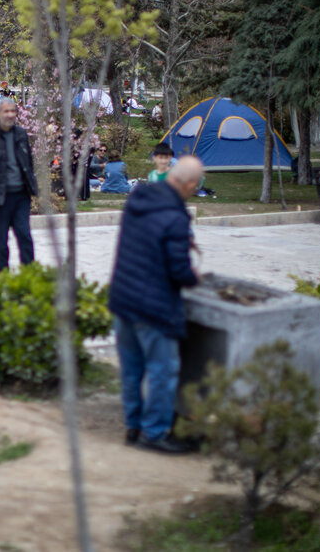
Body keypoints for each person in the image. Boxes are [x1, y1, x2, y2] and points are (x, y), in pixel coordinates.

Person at [109, 156, 204, 454]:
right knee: (163, 370)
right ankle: (155, 433)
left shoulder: (139, 199)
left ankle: (133, 427)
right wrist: (194, 277)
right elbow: (179, 271)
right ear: (189, 184)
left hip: (123, 297)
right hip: (152, 305)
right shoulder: (175, 216)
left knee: (131, 369)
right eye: (196, 187)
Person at [0, 96, 38, 272]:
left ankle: (29, 275)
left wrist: (32, 186)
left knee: (24, 235)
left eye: (13, 111)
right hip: (0, 198)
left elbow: (28, 163)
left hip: (21, 196)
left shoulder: (21, 134)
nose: (10, 115)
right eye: (6, 111)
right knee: (1, 242)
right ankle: (4, 276)